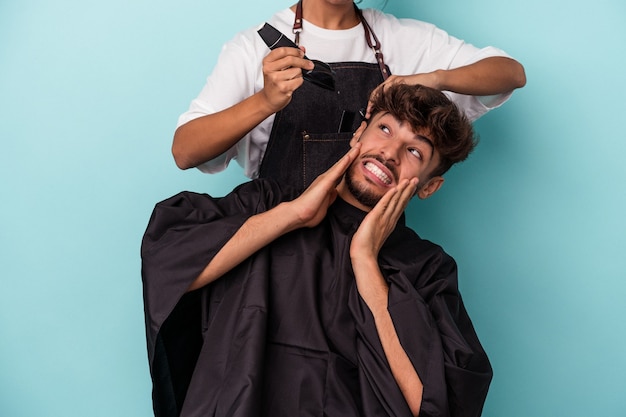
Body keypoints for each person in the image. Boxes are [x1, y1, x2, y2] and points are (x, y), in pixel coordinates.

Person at [142, 84, 492, 417]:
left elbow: (433, 405)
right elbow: (174, 266)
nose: (389, 153)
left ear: (429, 186)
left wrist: (366, 263)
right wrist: (294, 214)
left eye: (415, 151)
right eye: (385, 129)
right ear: (359, 134)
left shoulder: (426, 268)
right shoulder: (267, 204)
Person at [171, 0, 526, 192]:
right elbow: (185, 151)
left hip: (371, 254)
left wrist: (435, 77)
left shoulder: (403, 39)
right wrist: (264, 101)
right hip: (275, 251)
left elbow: (510, 73)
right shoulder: (255, 47)